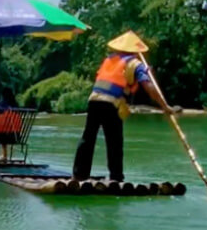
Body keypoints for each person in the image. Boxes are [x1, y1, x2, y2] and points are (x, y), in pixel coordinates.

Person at [72, 31, 177, 182]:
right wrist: (165, 106)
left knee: (88, 137)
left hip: (94, 100)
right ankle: (116, 177)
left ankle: (79, 175)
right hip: (111, 103)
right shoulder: (135, 64)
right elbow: (148, 87)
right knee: (114, 141)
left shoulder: (109, 59)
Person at [0, 87, 22, 161]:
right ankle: (5, 155)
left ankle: (4, 155)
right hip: (16, 136)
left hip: (2, 136)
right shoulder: (16, 105)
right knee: (4, 130)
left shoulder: (1, 105)